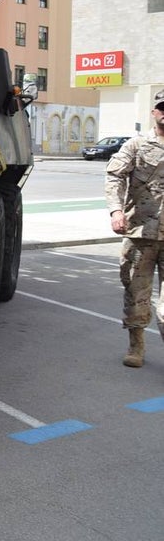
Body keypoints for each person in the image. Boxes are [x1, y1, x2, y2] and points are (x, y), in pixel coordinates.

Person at [105, 89, 164, 368]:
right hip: (141, 233)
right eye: (163, 107)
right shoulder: (137, 145)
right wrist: (116, 211)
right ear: (154, 112)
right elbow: (114, 176)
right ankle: (136, 345)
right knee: (136, 292)